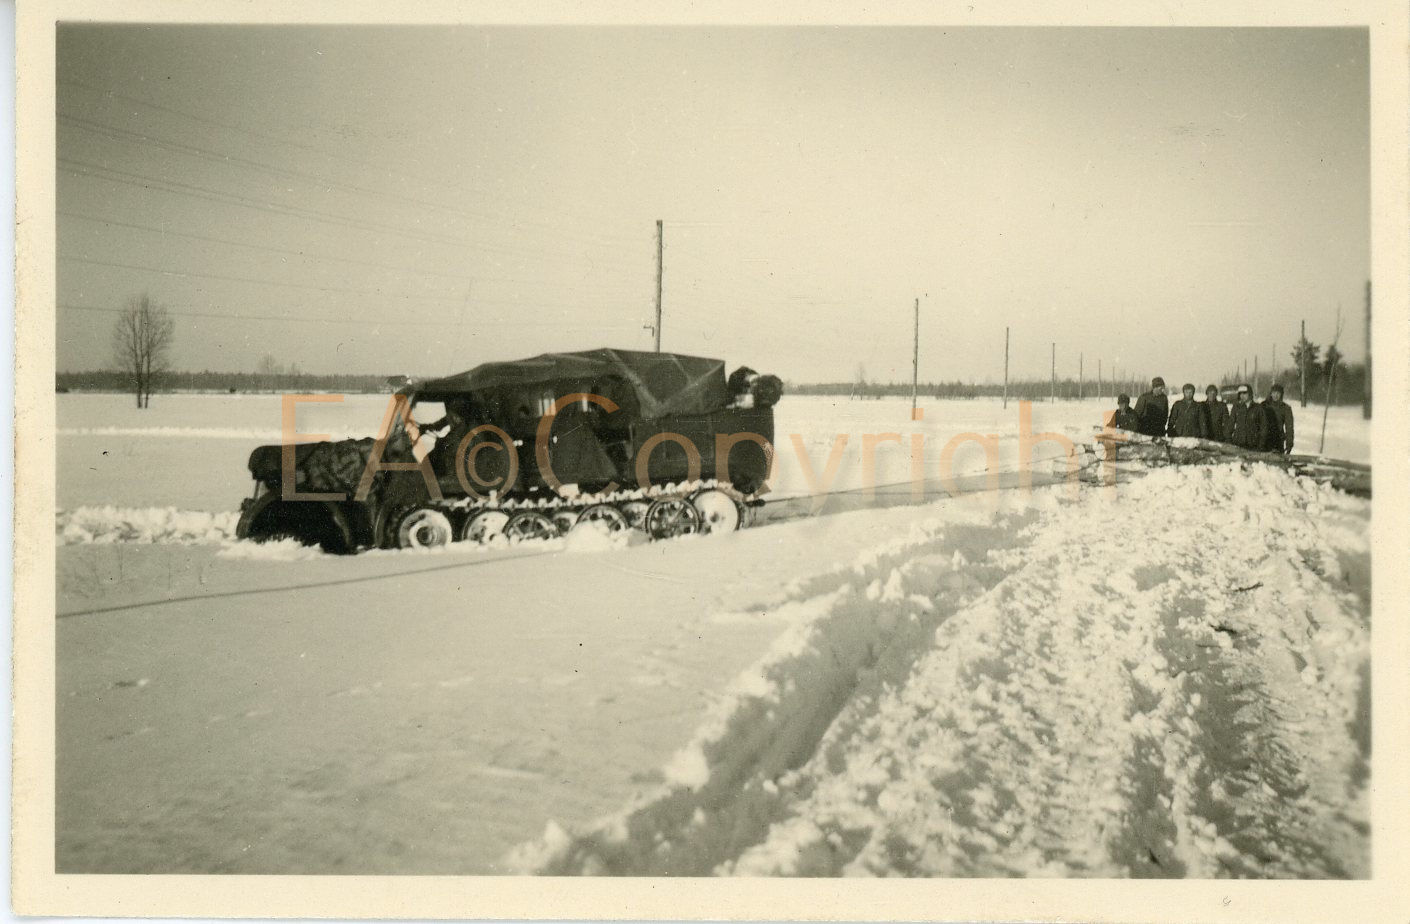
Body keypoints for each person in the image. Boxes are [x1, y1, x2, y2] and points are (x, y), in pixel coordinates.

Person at [1227, 384, 1268, 451]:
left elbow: (1264, 428)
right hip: (1238, 444)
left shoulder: (1258, 408)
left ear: (1250, 394)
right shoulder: (1236, 407)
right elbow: (1230, 425)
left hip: (1253, 445)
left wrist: (1260, 445)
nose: (1242, 396)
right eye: (1240, 394)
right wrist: (1229, 441)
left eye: (1245, 393)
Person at [1262, 383, 1295, 454]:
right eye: (1274, 393)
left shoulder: (1285, 408)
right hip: (1263, 440)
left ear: (1281, 394)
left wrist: (1289, 443)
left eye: (1278, 393)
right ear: (1271, 393)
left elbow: (1289, 427)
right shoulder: (1264, 405)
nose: (1276, 395)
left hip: (1277, 441)